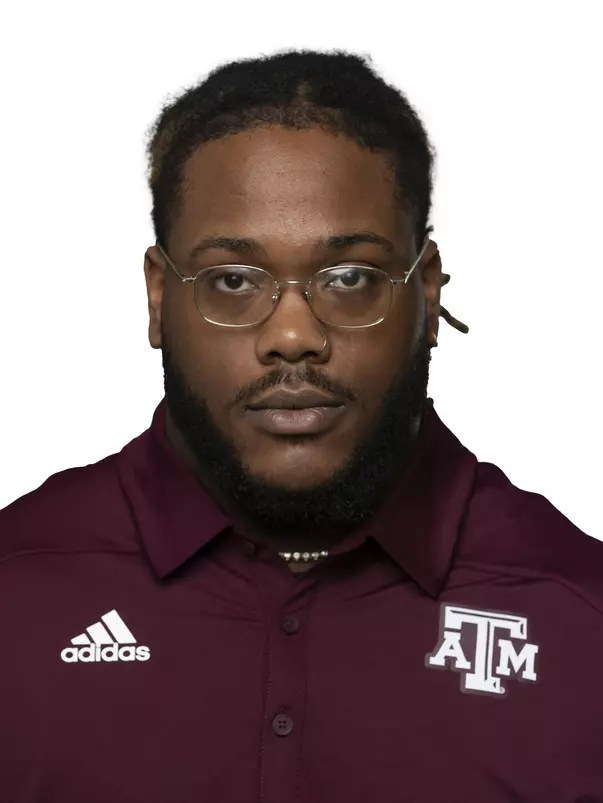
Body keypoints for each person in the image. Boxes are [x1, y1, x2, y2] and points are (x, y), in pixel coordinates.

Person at [0, 48, 601, 803]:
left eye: (349, 278)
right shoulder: (15, 592)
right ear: (158, 297)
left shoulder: (580, 617)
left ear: (426, 290)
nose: (292, 335)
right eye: (232, 280)